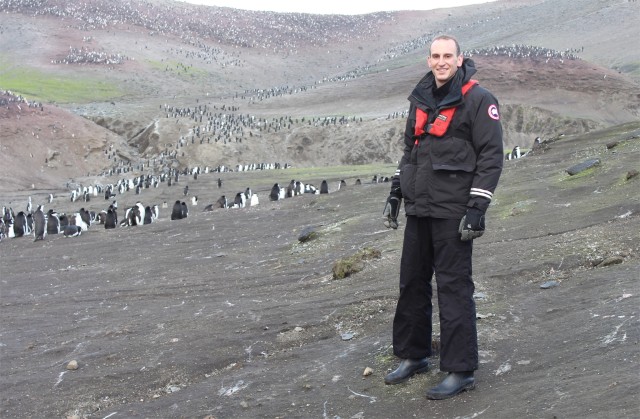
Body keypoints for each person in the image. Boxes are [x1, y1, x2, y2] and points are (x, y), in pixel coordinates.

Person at [382, 34, 504, 400]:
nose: (441, 62)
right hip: (419, 207)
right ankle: (414, 355)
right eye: (435, 56)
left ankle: (460, 368)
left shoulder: (479, 100)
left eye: (447, 55)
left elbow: (491, 156)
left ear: (459, 58)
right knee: (412, 283)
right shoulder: (420, 99)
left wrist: (477, 209)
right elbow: (410, 151)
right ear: (428, 60)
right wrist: (395, 194)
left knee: (453, 288)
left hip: (453, 211)